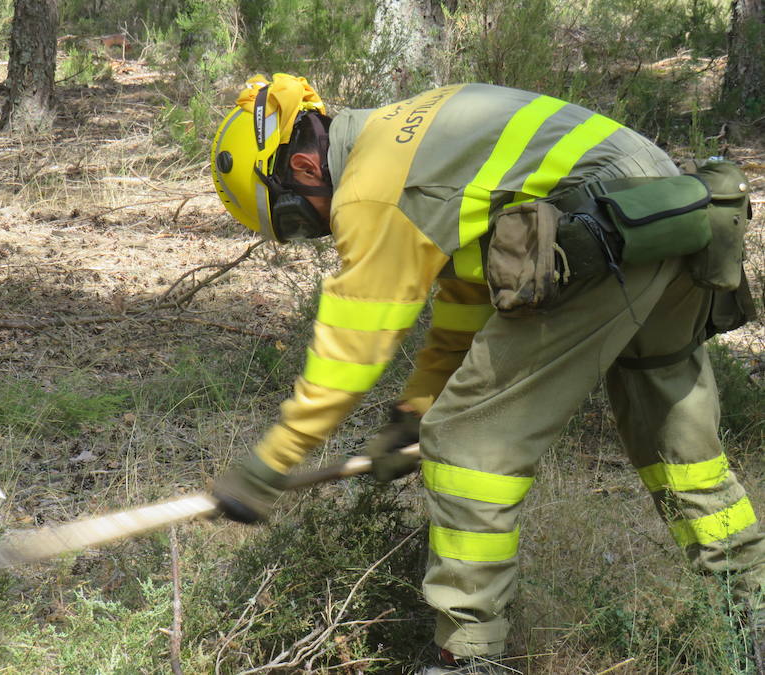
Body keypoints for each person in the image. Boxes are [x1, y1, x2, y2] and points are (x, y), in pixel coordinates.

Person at [208, 73, 764, 673]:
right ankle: (753, 610)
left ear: (306, 171)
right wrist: (411, 415)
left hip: (597, 230)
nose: (313, 232)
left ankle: (471, 659)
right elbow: (468, 300)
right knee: (675, 442)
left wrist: (269, 466)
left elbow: (347, 358)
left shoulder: (371, 190)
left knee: (466, 446)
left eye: (294, 222)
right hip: (668, 213)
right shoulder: (406, 133)